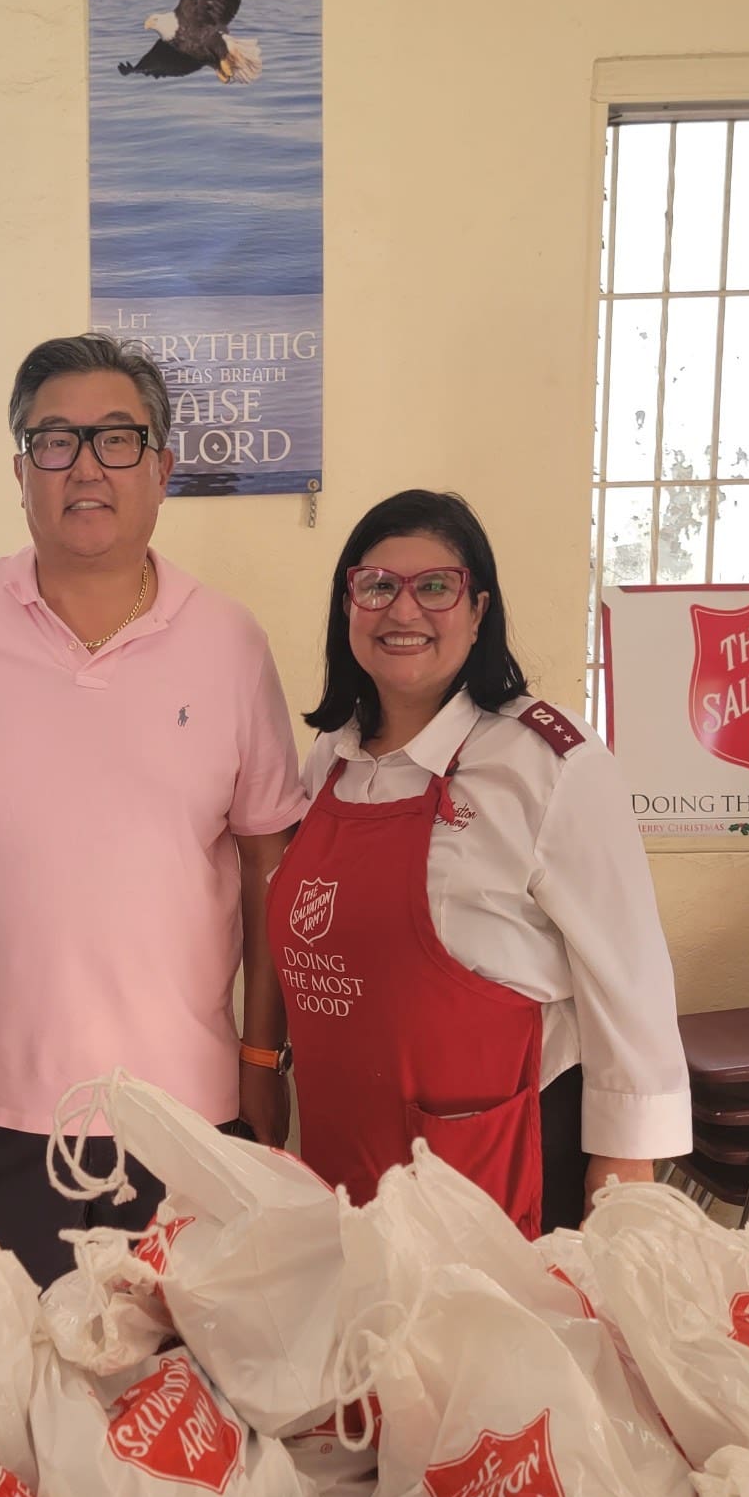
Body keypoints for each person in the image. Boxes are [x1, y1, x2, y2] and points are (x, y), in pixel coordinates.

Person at [0, 334, 307, 1282]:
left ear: (162, 469)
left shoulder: (229, 643)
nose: (85, 466)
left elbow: (265, 861)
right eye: (54, 440)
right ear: (20, 470)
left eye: (118, 440)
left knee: (179, 1404)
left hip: (186, 1119)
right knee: (1, 1403)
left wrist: (260, 1060)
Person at [268, 488, 689, 1233]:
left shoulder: (548, 764)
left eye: (436, 587)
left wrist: (625, 1164)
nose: (403, 612)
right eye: (377, 587)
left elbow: (630, 976)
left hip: (494, 1168)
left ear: (478, 610)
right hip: (345, 1154)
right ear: (347, 607)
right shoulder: (328, 763)